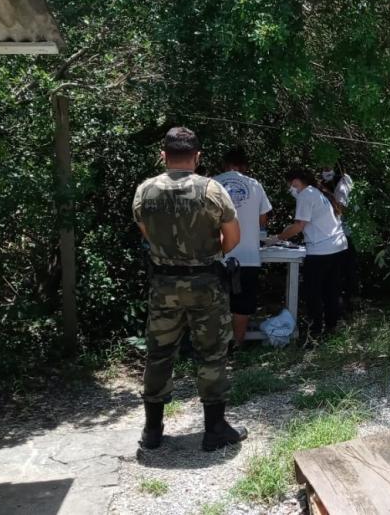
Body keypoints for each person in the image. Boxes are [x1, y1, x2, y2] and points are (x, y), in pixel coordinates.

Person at [133, 127, 248, 451]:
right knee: (211, 353)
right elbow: (233, 238)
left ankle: (152, 431)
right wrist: (205, 255)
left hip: (163, 284)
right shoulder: (212, 190)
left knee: (158, 354)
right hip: (205, 284)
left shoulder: (145, 191)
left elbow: (147, 233)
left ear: (163, 155)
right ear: (197, 157)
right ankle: (214, 430)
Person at [266, 168, 347, 346]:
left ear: (296, 181)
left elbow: (299, 225)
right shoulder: (318, 192)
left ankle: (315, 332)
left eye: (290, 184)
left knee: (313, 292)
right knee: (331, 291)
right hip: (336, 247)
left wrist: (277, 238)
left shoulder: (305, 194)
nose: (290, 188)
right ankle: (331, 328)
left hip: (321, 251)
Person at [213, 148, 273, 346]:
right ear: (244, 166)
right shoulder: (255, 184)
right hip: (248, 256)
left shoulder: (212, 183)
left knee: (216, 304)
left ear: (225, 164)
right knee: (243, 305)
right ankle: (236, 345)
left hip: (217, 255)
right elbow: (263, 219)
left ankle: (216, 347)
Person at [320, 164, 358, 311]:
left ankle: (344, 303)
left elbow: (341, 209)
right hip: (335, 235)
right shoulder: (332, 183)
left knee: (344, 271)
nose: (325, 172)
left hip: (344, 235)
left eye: (327, 168)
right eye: (323, 169)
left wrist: (326, 195)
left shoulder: (342, 183)